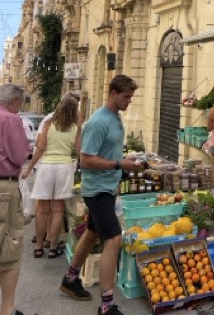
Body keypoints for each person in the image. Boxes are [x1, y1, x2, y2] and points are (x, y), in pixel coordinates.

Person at [59, 74, 143, 315]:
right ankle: (106, 305)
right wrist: (119, 165)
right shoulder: (98, 121)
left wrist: (124, 162)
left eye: (131, 97)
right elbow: (85, 160)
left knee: (92, 233)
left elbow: (109, 151)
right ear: (113, 93)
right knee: (114, 239)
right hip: (97, 190)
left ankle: (70, 278)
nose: (129, 101)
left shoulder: (115, 117)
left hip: (107, 186)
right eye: (126, 96)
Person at [22, 92, 81, 258]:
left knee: (42, 210)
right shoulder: (76, 127)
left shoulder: (48, 124)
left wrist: (28, 167)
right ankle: (53, 246)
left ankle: (39, 246)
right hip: (64, 167)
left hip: (46, 167)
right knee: (57, 210)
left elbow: (40, 148)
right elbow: (79, 151)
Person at [0, 83, 33, 315]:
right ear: (14, 101)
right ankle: (8, 309)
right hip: (4, 188)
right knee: (10, 247)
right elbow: (19, 154)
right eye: (21, 103)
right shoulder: (10, 120)